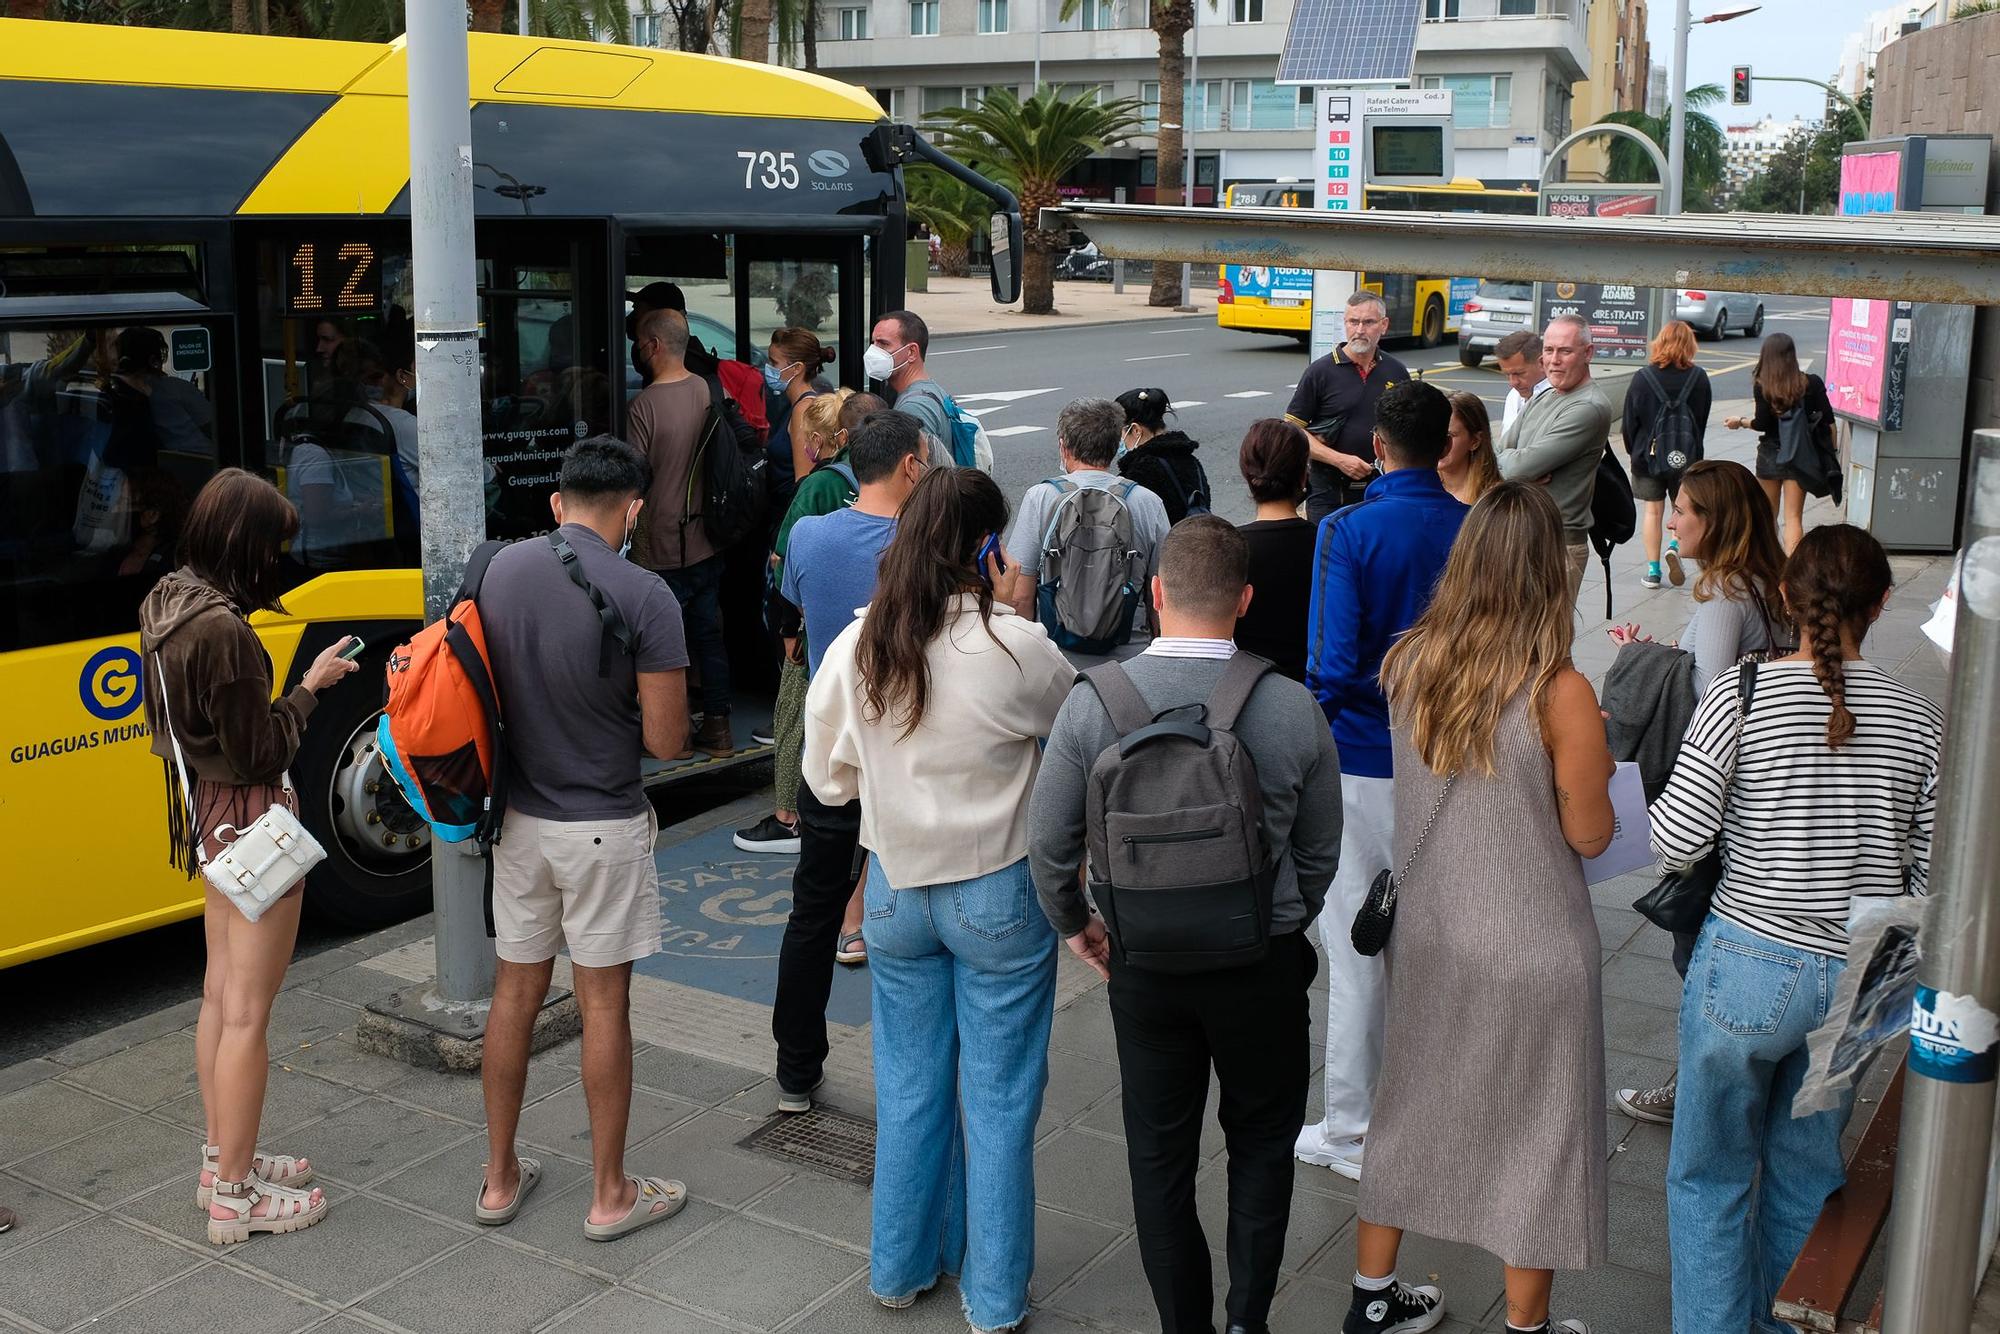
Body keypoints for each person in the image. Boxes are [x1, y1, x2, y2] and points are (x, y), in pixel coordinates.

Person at [1028, 517, 1343, 1334]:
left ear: (1157, 594)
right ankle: (1247, 1321)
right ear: (1244, 600)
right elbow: (1320, 850)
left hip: (1145, 967)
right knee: (1264, 1144)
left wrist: (1079, 926)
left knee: (1159, 1158)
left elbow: (1048, 843)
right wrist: (1281, 921)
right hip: (1261, 967)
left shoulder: (1094, 704)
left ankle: (1184, 1327)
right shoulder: (1288, 705)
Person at [1651, 524, 1941, 1334]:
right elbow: (1928, 878)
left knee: (1709, 1176)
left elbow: (1677, 840)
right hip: (1858, 977)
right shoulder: (1920, 719)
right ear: (1881, 605)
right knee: (1807, 1173)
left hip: (1747, 960)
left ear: (1783, 595)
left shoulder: (1741, 694)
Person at [804, 468, 1076, 1331]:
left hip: (892, 892)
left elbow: (826, 781)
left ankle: (899, 1267)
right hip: (997, 889)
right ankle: (992, 1299)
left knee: (910, 1087)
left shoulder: (860, 647)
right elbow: (1073, 735)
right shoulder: (1013, 645)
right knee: (997, 1102)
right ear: (987, 551)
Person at [1347, 480, 1614, 1334]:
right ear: (1548, 576)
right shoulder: (1559, 690)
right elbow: (1592, 836)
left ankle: (1372, 1298)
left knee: (1411, 1103)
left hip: (1434, 928)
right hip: (1536, 941)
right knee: (1540, 1132)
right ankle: (1526, 1328)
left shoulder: (1409, 661)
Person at [476, 436, 694, 1243]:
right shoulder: (645, 595)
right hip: (601, 822)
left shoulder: (499, 569)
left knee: (514, 996)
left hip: (520, 822)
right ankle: (610, 1195)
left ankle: (500, 1180)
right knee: (603, 1002)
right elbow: (669, 742)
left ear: (558, 502)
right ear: (633, 508)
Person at [138, 469, 362, 1245]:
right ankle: (236, 1196)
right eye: (274, 546)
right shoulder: (225, 632)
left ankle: (219, 1161)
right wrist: (310, 688)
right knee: (249, 1015)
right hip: (258, 826)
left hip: (207, 823)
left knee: (217, 998)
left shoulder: (167, 601)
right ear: (246, 543)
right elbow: (261, 749)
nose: (281, 560)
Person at [1295, 380, 1468, 1182]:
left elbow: (1328, 666)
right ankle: (1436, 1111)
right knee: (1435, 943)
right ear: (1448, 445)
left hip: (1363, 758)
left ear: (1378, 448)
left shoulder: (1347, 529)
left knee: (1357, 945)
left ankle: (1354, 1126)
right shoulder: (1478, 531)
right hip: (1456, 758)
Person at [1608, 458, 1789, 1124]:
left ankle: (1699, 1089)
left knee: (1697, 949)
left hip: (1721, 802)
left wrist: (1657, 664)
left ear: (1717, 520)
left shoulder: (1722, 592)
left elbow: (1714, 699)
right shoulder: (1774, 585)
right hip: (1767, 793)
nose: (1673, 519)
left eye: (1683, 508)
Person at [772, 411, 929, 1113]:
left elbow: (788, 618)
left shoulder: (809, 532)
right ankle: (916, 1077)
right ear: (906, 466)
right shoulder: (926, 542)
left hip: (832, 748)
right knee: (915, 910)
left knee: (814, 908)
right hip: (910, 750)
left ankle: (796, 1070)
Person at [735, 389, 863, 858]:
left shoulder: (817, 485)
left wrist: (787, 629)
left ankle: (789, 817)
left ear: (818, 440)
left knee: (793, 717)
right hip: (857, 621)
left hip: (812, 623)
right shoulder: (868, 476)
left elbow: (784, 559)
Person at [627, 309, 733, 757]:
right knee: (709, 635)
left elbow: (633, 476)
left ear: (652, 346)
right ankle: (720, 728)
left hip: (660, 545)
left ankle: (676, 738)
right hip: (707, 539)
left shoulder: (644, 406)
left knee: (661, 645)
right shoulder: (708, 391)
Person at [1001, 397, 1171, 642]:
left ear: (1064, 447)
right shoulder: (1147, 501)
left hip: (1059, 655)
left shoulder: (1041, 497)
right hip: (1129, 655)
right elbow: (1160, 596)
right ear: (1115, 447)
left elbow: (1020, 595)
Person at [1498, 314, 1613, 605]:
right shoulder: (1545, 395)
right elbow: (1498, 453)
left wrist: (1516, 464)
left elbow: (1514, 467)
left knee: (1546, 646)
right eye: (1549, 351)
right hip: (1522, 534)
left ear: (1588, 353)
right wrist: (1515, 463)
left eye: (1565, 351)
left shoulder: (1589, 407)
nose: (1554, 360)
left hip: (1557, 546)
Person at [1284, 291, 1412, 523]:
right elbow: (1292, 429)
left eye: (1369, 322)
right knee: (1327, 553)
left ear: (1384, 325)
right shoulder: (1320, 372)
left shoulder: (1397, 371)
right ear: (1345, 323)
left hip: (1382, 488)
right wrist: (1338, 460)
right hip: (1329, 490)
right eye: (1353, 321)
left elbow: (1409, 429)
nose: (1360, 330)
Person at [1724, 332, 1834, 556]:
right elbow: (1829, 422)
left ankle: (1769, 564)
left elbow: (1762, 423)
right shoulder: (1811, 383)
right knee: (1793, 518)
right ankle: (1792, 573)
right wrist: (1830, 455)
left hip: (1770, 455)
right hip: (1801, 456)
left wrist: (1742, 422)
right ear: (1792, 356)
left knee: (1768, 516)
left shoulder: (1763, 386)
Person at [1622, 320, 1712, 589]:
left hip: (1647, 458)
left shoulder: (1642, 378)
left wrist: (1634, 452)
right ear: (1690, 345)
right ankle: (1675, 544)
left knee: (1653, 511)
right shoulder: (1699, 378)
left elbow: (1629, 423)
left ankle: (1652, 571)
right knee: (1682, 508)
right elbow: (1702, 420)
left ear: (1659, 342)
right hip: (1686, 458)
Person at [1233, 418, 1316, 682]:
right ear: (1303, 475)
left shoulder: (1231, 548)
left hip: (1245, 690)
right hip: (1313, 688)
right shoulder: (1329, 544)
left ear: (1247, 474)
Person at [868, 309, 956, 469]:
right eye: (873, 343)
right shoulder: (931, 391)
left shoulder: (913, 408)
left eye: (883, 344)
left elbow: (920, 473)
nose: (873, 352)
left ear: (911, 352)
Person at [114, 326, 216, 457]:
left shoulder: (121, 392)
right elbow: (213, 428)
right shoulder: (177, 388)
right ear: (153, 360)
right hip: (200, 460)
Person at [1114, 387, 1209, 524]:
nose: (1118, 440)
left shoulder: (1138, 473)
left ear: (1135, 430)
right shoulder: (1191, 460)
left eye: (1119, 433)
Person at [766, 326, 838, 490]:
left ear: (797, 368)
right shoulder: (793, 404)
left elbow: (803, 481)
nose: (768, 368)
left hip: (787, 509)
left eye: (773, 362)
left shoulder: (803, 410)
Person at [1440, 391, 1501, 506]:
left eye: (1449, 435)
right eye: (1433, 433)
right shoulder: (1418, 487)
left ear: (1475, 441)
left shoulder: (1495, 500)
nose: (1437, 442)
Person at [1494, 330, 1550, 443]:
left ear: (1542, 363)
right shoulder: (1513, 395)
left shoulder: (1557, 396)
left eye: (1519, 373)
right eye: (1507, 375)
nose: (1513, 383)